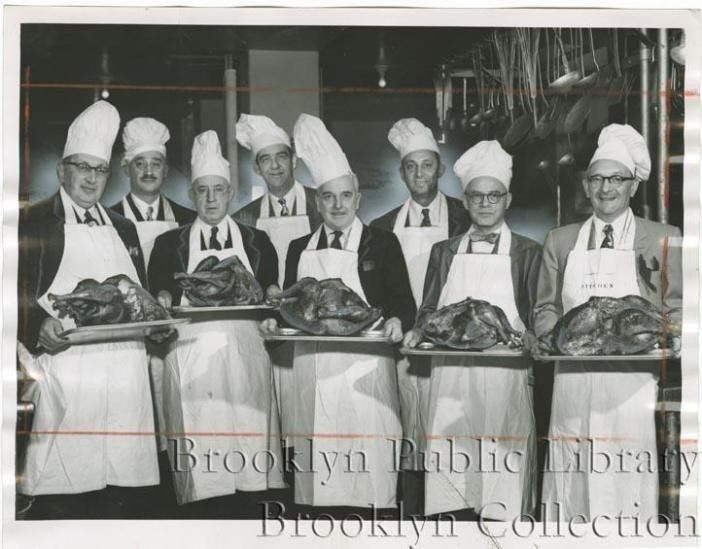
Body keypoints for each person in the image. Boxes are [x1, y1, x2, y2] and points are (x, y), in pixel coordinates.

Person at [261, 114, 416, 513]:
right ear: (318, 202)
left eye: (345, 196)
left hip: (367, 371)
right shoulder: (297, 247)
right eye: (328, 197)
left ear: (358, 199)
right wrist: (272, 320)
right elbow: (292, 306)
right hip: (312, 370)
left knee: (369, 468)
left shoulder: (383, 243)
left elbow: (403, 301)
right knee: (317, 471)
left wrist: (399, 321)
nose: (337, 205)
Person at [533, 123, 683, 522]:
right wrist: (550, 337)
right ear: (585, 185)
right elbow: (544, 308)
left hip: (630, 385)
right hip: (571, 381)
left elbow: (678, 306)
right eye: (596, 179)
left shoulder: (663, 237)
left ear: (633, 185)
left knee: (626, 481)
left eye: (616, 179)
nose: (605, 188)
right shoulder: (560, 240)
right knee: (573, 479)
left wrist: (677, 335)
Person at [17, 100, 159, 518]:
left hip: (125, 368)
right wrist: (36, 323)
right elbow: (13, 289)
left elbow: (137, 294)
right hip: (66, 364)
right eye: (83, 167)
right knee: (65, 482)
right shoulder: (33, 220)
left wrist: (156, 321)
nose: (91, 178)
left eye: (100, 169)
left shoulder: (124, 226)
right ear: (63, 171)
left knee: (122, 487)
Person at [404, 140, 540, 521]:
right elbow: (429, 309)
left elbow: (533, 313)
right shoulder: (444, 251)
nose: (484, 203)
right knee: (451, 472)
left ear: (507, 199)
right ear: (464, 201)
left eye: (493, 195)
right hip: (450, 376)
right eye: (476, 196)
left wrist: (530, 336)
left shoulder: (528, 252)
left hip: (505, 377)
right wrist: (417, 332)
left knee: (502, 476)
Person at [148, 130, 284, 511]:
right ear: (192, 196)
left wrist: (273, 298)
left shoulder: (257, 241)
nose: (210, 199)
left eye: (218, 190)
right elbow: (159, 294)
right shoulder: (167, 244)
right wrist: (162, 298)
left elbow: (271, 295)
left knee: (250, 449)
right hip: (190, 358)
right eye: (203, 190)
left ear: (231, 194)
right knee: (200, 455)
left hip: (245, 355)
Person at [370, 118, 469, 509]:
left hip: (454, 345)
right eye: (411, 166)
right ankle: (411, 519)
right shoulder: (380, 227)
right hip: (403, 347)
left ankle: (456, 517)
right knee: (408, 436)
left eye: (427, 165)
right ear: (401, 173)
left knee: (451, 436)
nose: (420, 174)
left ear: (440, 168)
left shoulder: (466, 216)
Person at [233, 114, 322, 455]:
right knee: (272, 419)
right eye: (265, 159)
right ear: (257, 169)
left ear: (294, 160)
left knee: (311, 417)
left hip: (312, 327)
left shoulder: (321, 203)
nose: (274, 166)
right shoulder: (244, 217)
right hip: (267, 328)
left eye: (281, 156)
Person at [110, 117, 196, 265]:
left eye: (156, 164)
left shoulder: (189, 220)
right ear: (126, 169)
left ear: (165, 170)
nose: (148, 171)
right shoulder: (108, 221)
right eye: (140, 164)